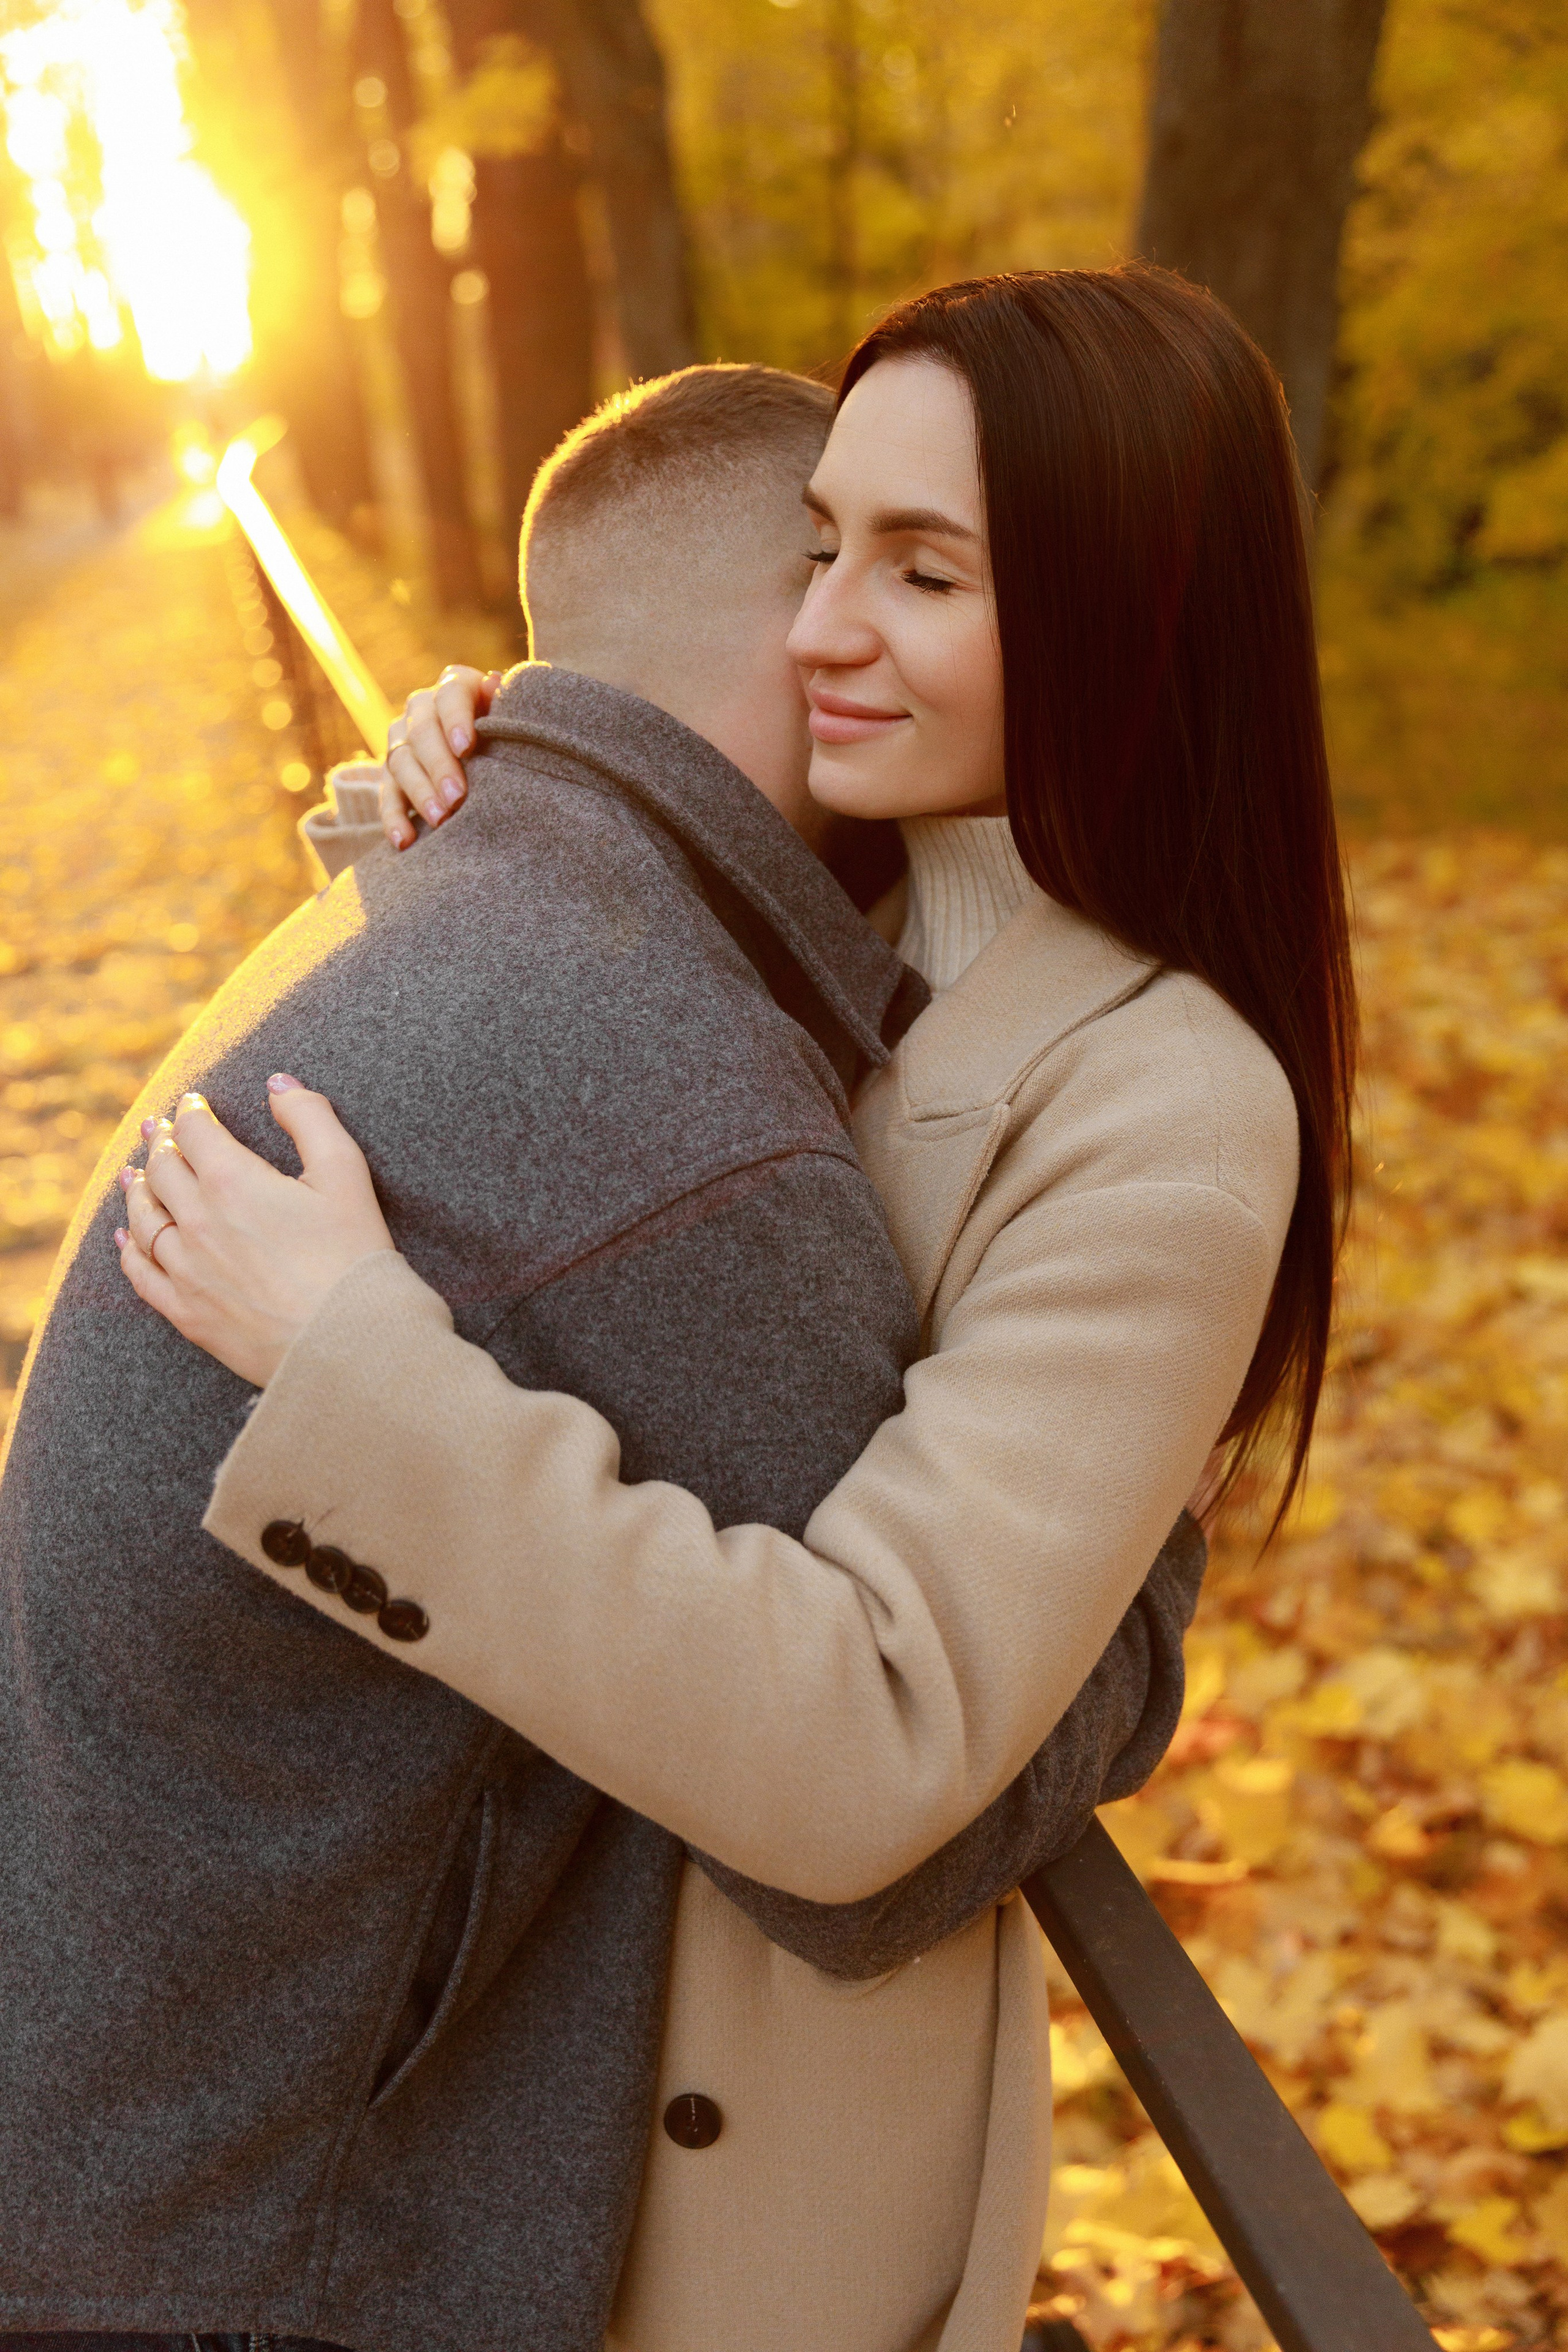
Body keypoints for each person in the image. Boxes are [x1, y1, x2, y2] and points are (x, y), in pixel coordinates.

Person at [117, 268, 1355, 2351]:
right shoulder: (824, 874)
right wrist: (494, 792)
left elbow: (869, 1737)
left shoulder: (1168, 1106)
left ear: (1126, 609)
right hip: (490, 2054)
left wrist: (355, 1375)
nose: (816, 630)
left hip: (733, 2161)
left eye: (923, 572)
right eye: (819, 547)